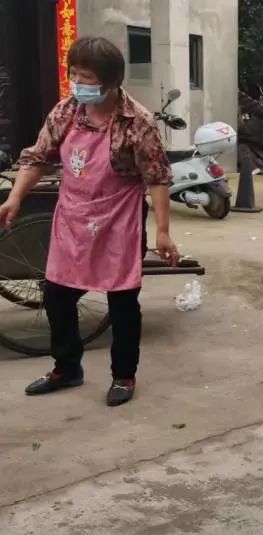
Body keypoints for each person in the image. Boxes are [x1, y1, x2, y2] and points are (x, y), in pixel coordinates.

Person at [0, 36, 178, 406]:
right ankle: (67, 368)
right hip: (74, 214)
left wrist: (162, 231)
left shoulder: (137, 121)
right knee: (56, 293)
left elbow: (157, 177)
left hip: (119, 217)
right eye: (74, 73)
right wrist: (15, 198)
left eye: (86, 77)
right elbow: (37, 157)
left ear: (112, 81)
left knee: (122, 300)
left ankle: (124, 376)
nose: (77, 82)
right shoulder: (67, 112)